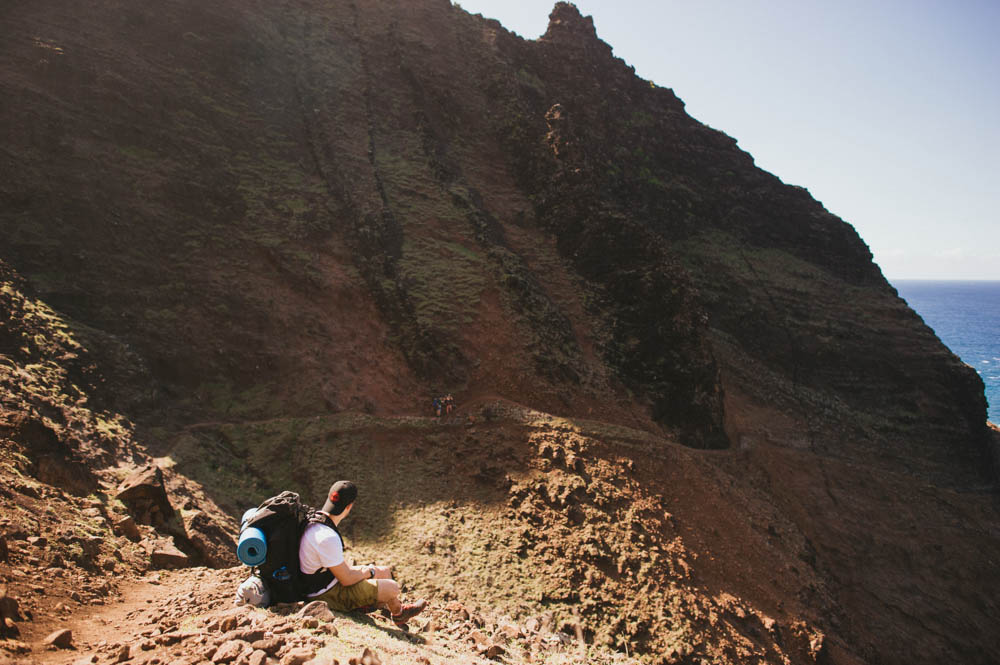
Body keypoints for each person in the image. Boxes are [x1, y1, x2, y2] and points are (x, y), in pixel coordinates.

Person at [298, 480, 426, 626]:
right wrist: (369, 572)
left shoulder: (313, 521)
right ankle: (396, 613)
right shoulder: (328, 537)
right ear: (349, 506)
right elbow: (346, 579)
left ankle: (393, 610)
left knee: (384, 571)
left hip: (323, 580)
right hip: (325, 594)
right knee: (393, 587)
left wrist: (369, 571)